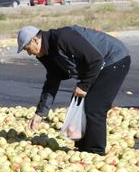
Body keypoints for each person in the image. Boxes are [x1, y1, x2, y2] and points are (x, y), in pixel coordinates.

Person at [17, 25, 131, 155]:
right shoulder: (45, 53)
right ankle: (83, 151)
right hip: (97, 66)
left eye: (27, 49)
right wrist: (40, 113)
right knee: (79, 102)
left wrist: (84, 86)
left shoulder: (63, 38)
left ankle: (96, 152)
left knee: (94, 107)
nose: (29, 53)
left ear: (35, 40)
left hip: (114, 59)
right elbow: (52, 81)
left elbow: (95, 60)